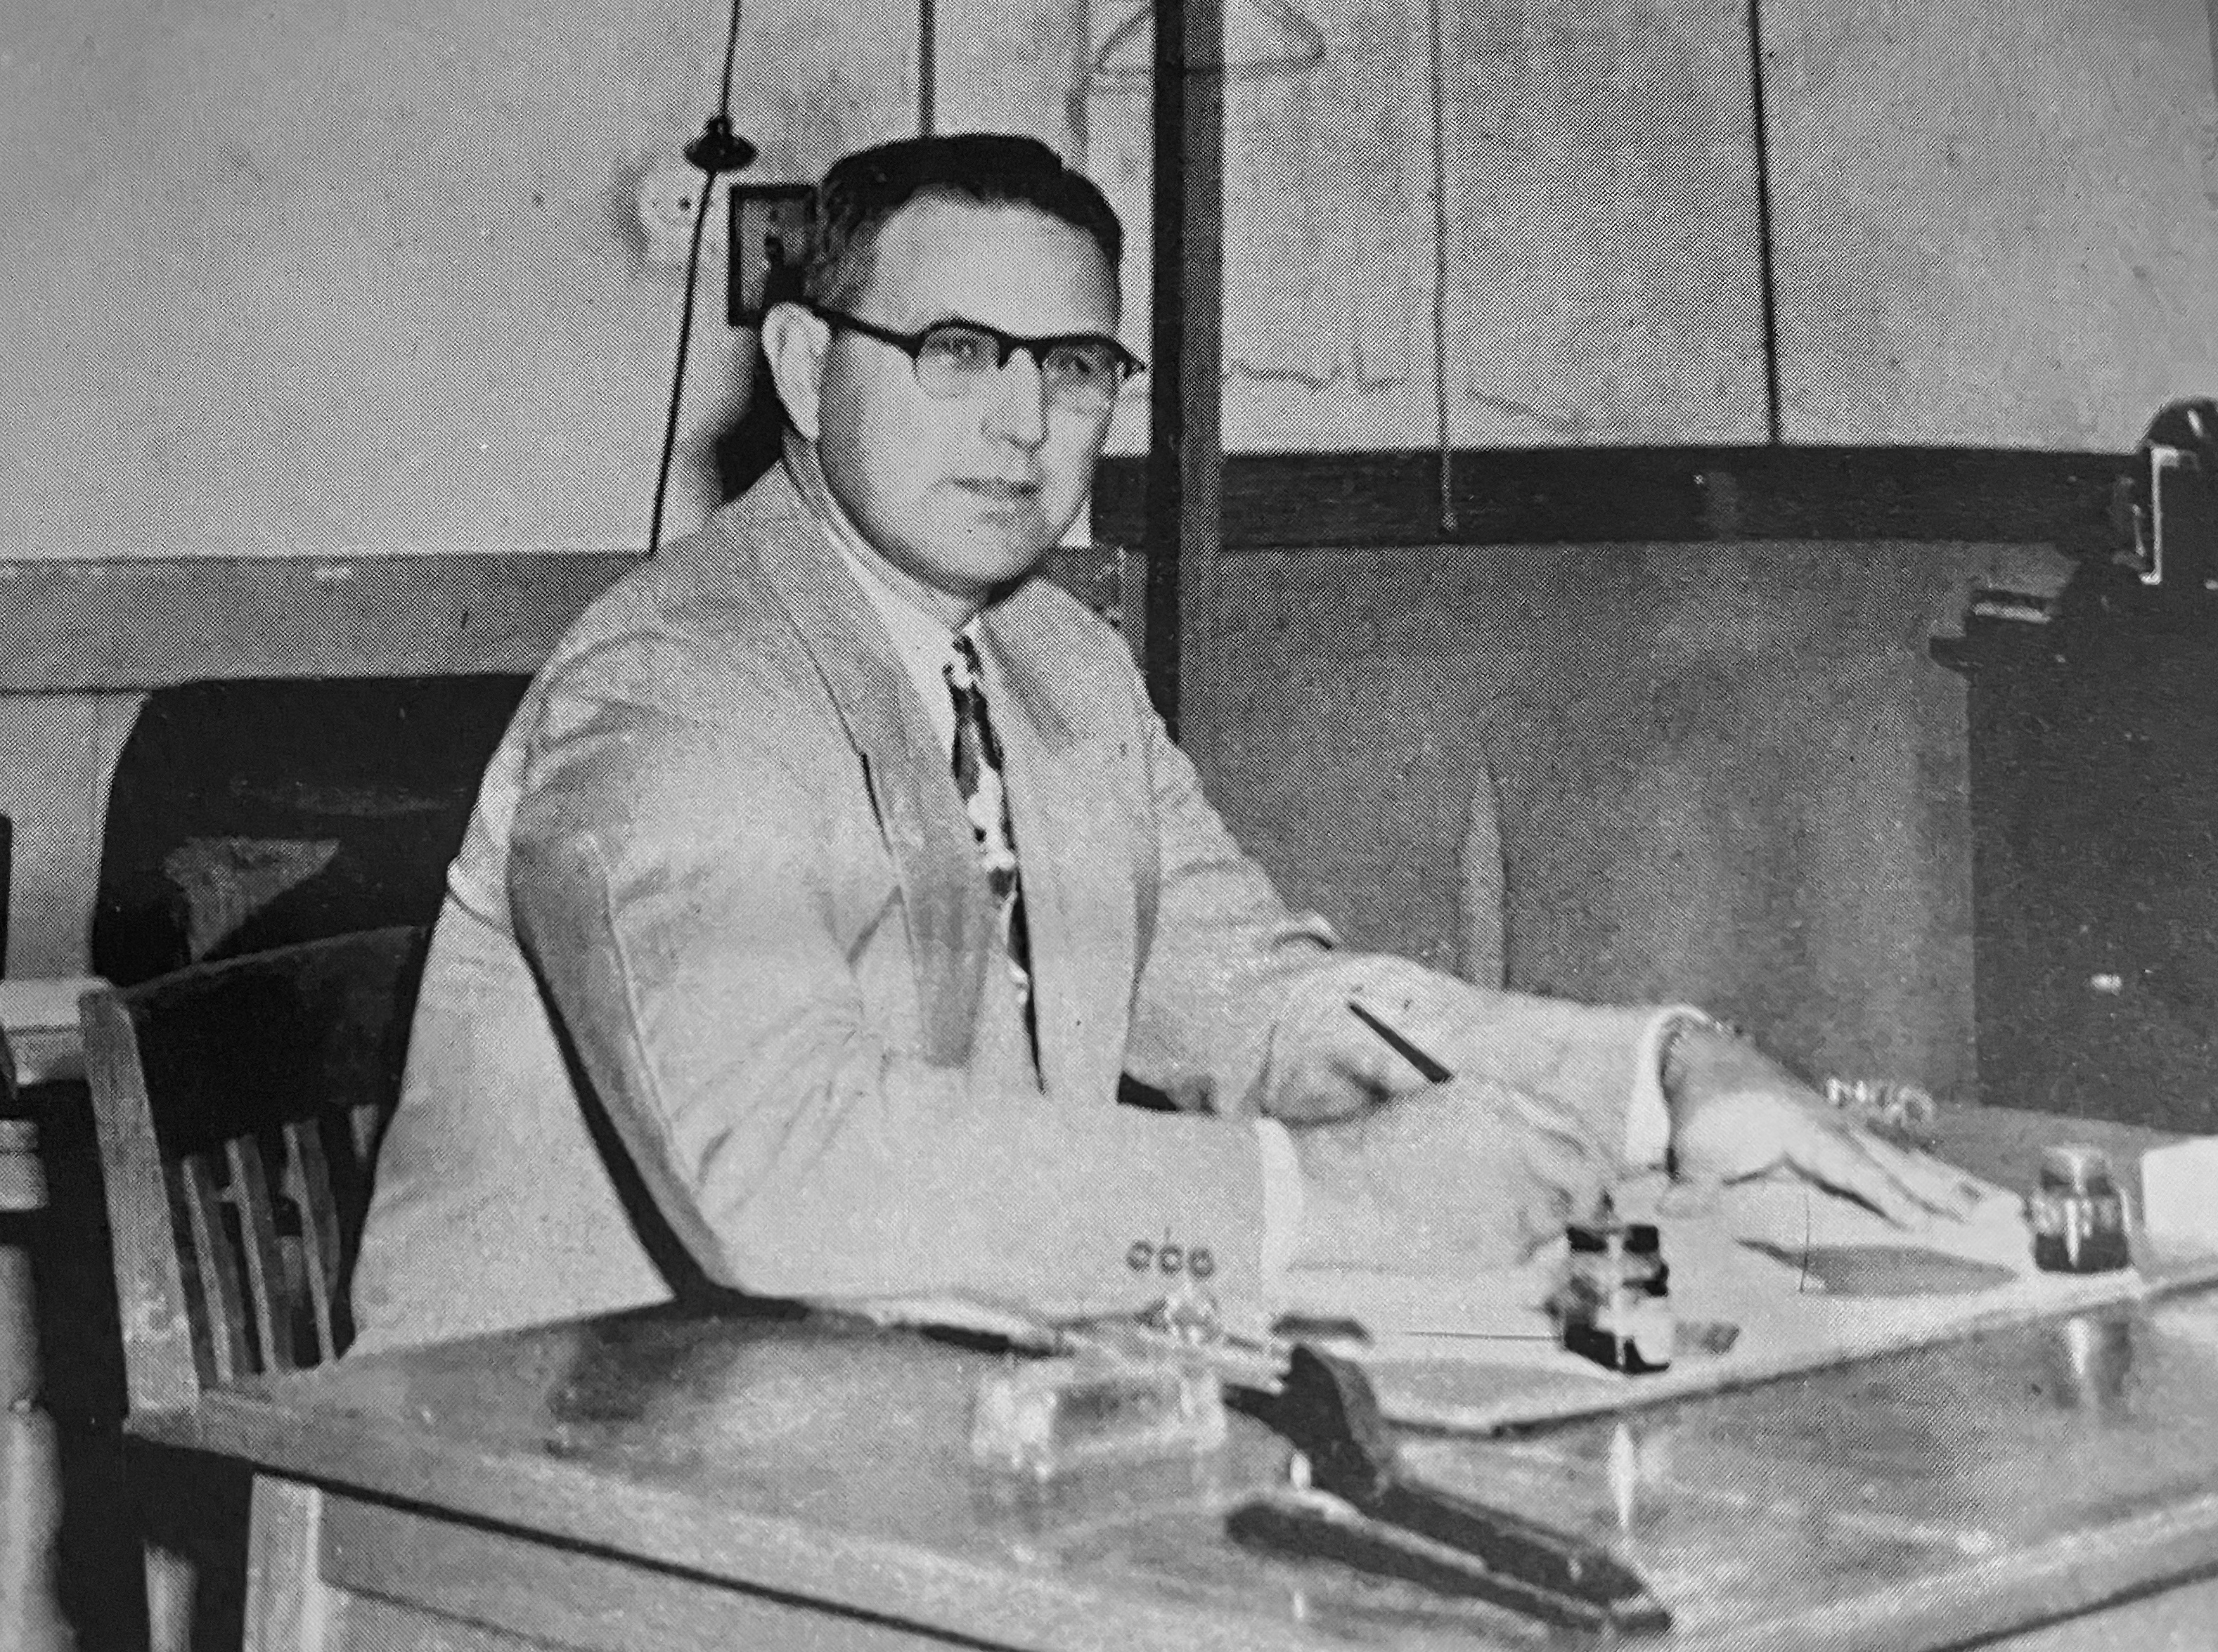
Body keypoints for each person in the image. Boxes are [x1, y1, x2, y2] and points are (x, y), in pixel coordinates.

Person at [349, 133, 1970, 1354]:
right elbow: (780, 1169)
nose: (1022, 425)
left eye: (1071, 368)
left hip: (899, 1413)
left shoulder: (1058, 663)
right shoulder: (677, 685)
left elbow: (1256, 999)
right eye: (958, 355)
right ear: (796, 366)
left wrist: (1663, 1072)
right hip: (560, 1499)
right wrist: (1318, 1196)